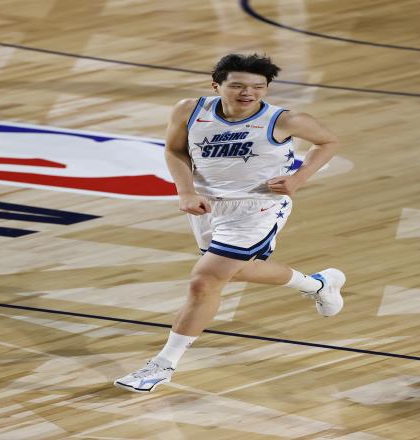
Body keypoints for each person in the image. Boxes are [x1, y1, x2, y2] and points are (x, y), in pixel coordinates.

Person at [114, 53, 345, 393]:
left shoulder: (284, 120)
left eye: (258, 87)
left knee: (204, 281)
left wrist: (299, 178)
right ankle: (317, 285)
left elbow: (328, 141)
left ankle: (162, 366)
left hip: (258, 206)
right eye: (237, 85)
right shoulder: (189, 110)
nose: (248, 93)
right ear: (216, 86)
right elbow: (174, 150)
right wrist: (186, 191)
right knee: (233, 271)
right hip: (208, 206)